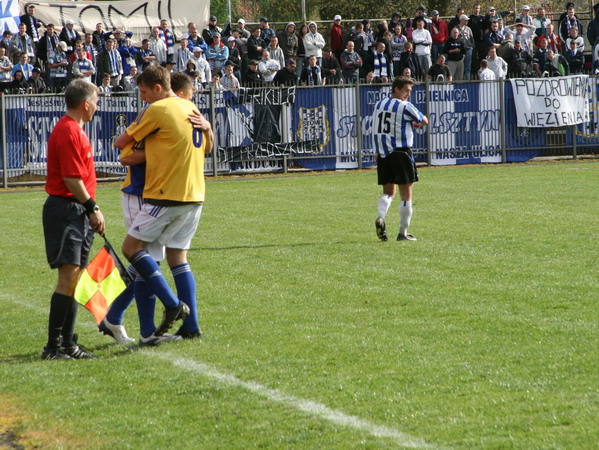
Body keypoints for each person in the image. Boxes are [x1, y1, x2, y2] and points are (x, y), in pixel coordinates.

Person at [115, 65, 210, 339]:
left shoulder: (159, 109)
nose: (143, 98)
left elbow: (122, 144)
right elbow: (209, 146)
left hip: (166, 193)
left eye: (144, 92)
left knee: (132, 248)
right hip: (195, 194)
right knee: (177, 256)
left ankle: (170, 305)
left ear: (158, 88)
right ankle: (191, 327)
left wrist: (138, 147)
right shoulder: (190, 108)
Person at [41, 80, 104, 359]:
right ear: (86, 104)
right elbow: (70, 178)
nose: (97, 108)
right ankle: (54, 347)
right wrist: (92, 207)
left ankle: (68, 343)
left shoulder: (74, 129)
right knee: (68, 278)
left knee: (76, 278)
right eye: (96, 102)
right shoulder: (69, 131)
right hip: (67, 210)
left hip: (75, 210)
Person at [373, 77, 428, 243]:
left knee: (388, 192)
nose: (408, 95)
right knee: (406, 195)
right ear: (396, 89)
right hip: (401, 154)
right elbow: (424, 120)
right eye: (406, 91)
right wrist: (417, 124)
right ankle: (403, 233)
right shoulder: (404, 106)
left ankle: (381, 217)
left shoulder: (379, 104)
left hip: (383, 155)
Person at [457, 14, 475, 80]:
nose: (467, 21)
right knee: (460, 67)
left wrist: (472, 47)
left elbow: (472, 39)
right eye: (465, 20)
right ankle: (460, 81)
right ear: (461, 20)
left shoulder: (468, 29)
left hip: (468, 49)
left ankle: (468, 81)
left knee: (468, 67)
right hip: (459, 50)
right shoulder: (456, 28)